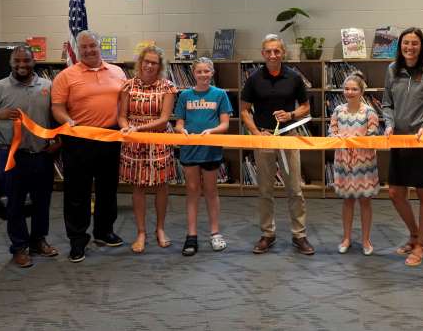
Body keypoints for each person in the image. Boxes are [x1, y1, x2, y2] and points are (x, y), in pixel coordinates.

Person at [0, 46, 58, 268]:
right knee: (15, 203)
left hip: (41, 155)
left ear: (34, 61)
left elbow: (57, 119)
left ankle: (39, 240)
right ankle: (19, 247)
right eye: (17, 61)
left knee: (42, 201)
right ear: (11, 63)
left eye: (26, 61)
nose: (22, 65)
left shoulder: (49, 86)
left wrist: (59, 142)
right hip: (10, 155)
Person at [51, 30, 127, 263]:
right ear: (78, 49)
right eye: (83, 47)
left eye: (92, 46)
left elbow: (124, 103)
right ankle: (77, 240)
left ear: (99, 46)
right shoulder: (66, 76)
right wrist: (67, 120)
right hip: (78, 140)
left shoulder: (118, 71)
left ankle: (104, 231)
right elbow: (57, 107)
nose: (89, 50)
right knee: (77, 192)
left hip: (110, 137)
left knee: (108, 189)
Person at [382, 27, 423, 267]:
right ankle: (414, 234)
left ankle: (421, 244)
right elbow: (387, 104)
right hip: (399, 141)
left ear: (422, 46)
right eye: (405, 43)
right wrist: (389, 124)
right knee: (394, 192)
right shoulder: (392, 70)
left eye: (414, 43)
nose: (409, 47)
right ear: (400, 46)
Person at [240, 34, 314, 255]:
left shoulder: (293, 77)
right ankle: (267, 234)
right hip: (264, 138)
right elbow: (244, 109)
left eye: (277, 51)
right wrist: (255, 132)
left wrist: (290, 114)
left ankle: (299, 235)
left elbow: (306, 107)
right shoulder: (254, 78)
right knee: (265, 190)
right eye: (268, 51)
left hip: (288, 136)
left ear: (283, 53)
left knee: (295, 190)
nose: (273, 55)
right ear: (263, 54)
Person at [117, 46, 177, 254]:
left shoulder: (167, 87)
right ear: (140, 63)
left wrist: (137, 128)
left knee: (161, 185)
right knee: (138, 187)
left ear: (160, 66)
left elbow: (163, 120)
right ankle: (141, 232)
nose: (150, 66)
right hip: (133, 141)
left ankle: (160, 229)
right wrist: (125, 126)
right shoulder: (128, 86)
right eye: (147, 61)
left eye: (154, 62)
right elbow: (122, 115)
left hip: (158, 139)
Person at [174, 57, 232, 256]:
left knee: (211, 191)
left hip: (210, 149)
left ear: (212, 72)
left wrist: (213, 131)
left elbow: (225, 124)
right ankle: (191, 235)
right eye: (199, 71)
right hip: (190, 150)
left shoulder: (220, 94)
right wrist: (181, 131)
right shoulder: (184, 96)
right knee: (192, 190)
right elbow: (179, 123)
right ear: (193, 73)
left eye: (206, 71)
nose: (203, 75)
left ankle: (215, 232)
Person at [328, 71, 380, 256]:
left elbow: (374, 136)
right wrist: (338, 137)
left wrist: (357, 138)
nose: (350, 92)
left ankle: (366, 239)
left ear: (361, 91)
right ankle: (346, 238)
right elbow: (331, 133)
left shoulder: (370, 112)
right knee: (347, 200)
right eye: (346, 89)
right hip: (343, 162)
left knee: (365, 201)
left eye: (354, 89)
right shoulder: (337, 111)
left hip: (363, 164)